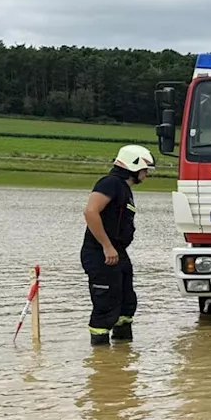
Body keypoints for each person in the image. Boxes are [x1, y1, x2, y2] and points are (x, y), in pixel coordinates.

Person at [81, 144, 154, 345]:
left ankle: (123, 352)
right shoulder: (109, 183)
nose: (147, 174)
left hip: (117, 252)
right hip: (101, 252)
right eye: (145, 169)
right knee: (106, 304)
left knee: (127, 302)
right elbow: (90, 212)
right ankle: (102, 362)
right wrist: (107, 246)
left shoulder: (124, 189)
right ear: (133, 166)